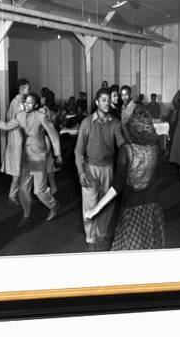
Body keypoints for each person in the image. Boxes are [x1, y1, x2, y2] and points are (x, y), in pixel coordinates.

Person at [84, 112, 165, 250]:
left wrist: (95, 209)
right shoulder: (155, 149)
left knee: (128, 250)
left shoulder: (126, 150)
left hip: (132, 207)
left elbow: (117, 185)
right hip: (153, 207)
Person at [0, 93, 62, 227]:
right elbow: (6, 126)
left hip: (38, 156)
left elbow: (53, 134)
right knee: (23, 189)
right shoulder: (20, 116)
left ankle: (53, 205)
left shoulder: (41, 117)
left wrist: (58, 154)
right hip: (25, 156)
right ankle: (26, 215)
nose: (26, 105)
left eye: (30, 103)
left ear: (35, 105)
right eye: (26, 102)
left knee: (39, 191)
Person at [75, 88, 125, 247]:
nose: (107, 103)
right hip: (90, 168)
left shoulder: (115, 122)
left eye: (109, 100)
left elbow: (122, 145)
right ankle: (90, 237)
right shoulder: (87, 123)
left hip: (108, 168)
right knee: (90, 204)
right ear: (96, 102)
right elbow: (78, 151)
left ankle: (101, 233)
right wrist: (81, 171)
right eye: (103, 100)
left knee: (107, 203)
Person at [2, 78, 30, 205]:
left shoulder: (14, 101)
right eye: (27, 88)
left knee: (20, 168)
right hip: (18, 138)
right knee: (17, 169)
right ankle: (12, 195)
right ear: (22, 88)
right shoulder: (19, 103)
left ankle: (17, 193)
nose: (29, 91)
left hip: (16, 137)